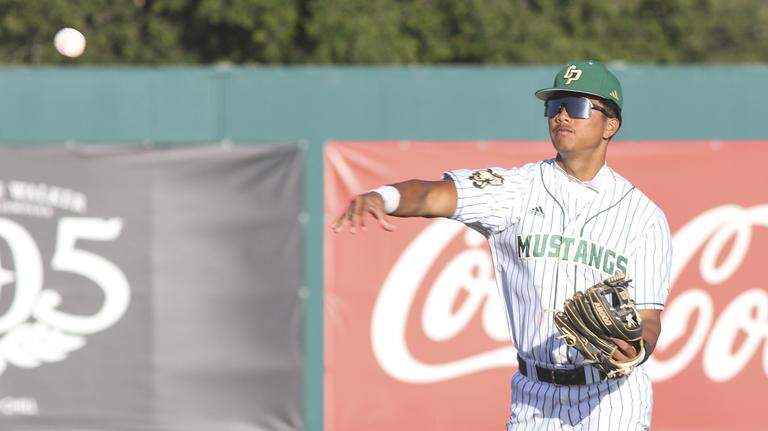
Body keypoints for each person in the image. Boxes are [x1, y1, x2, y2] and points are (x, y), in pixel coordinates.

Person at [332, 60, 671, 431]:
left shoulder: (643, 217)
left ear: (610, 124)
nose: (561, 116)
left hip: (612, 399)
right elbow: (436, 195)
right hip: (534, 396)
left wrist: (637, 350)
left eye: (575, 106)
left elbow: (649, 318)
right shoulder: (515, 190)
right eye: (553, 106)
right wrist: (386, 197)